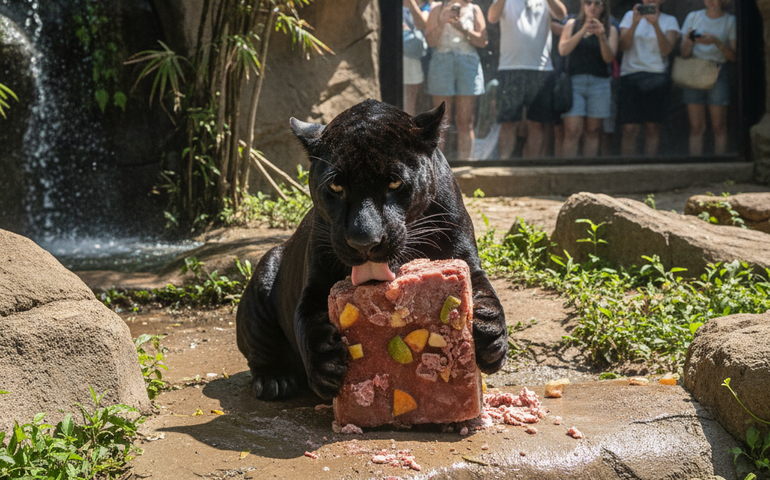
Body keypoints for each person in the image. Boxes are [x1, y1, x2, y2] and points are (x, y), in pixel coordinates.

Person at [487, 0, 567, 159]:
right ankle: (503, 168)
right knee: (508, 123)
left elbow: (561, 14)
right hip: (510, 69)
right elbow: (492, 17)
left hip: (541, 70)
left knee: (536, 124)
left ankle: (532, 168)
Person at [425, 1, 488, 159]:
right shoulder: (437, 9)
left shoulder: (474, 9)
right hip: (441, 62)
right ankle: (438, 170)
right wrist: (442, 22)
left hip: (468, 63)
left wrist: (463, 29)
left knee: (465, 121)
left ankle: (465, 164)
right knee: (440, 122)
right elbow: (430, 42)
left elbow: (483, 41)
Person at [617, 0, 679, 156]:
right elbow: (623, 46)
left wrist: (656, 25)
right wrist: (635, 24)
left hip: (656, 76)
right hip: (630, 75)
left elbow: (667, 50)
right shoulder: (629, 16)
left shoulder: (670, 20)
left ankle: (649, 168)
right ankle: (628, 170)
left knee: (653, 128)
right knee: (629, 128)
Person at [558, 0, 618, 157]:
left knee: (593, 131)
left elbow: (608, 58)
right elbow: (563, 50)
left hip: (599, 83)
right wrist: (583, 29)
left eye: (598, 3)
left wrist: (601, 36)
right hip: (574, 83)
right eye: (588, 2)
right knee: (572, 130)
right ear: (582, 5)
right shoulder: (572, 24)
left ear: (604, 6)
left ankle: (587, 172)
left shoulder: (610, 28)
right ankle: (568, 174)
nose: (592, 7)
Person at [680, 0, 736, 155]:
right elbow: (683, 54)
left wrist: (717, 42)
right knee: (696, 126)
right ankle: (695, 164)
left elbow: (734, 57)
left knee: (719, 126)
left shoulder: (730, 20)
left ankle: (720, 167)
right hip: (694, 71)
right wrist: (689, 42)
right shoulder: (693, 16)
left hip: (717, 71)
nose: (712, 1)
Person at [403, 0, 432, 116]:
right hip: (392, 58)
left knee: (409, 103)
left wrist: (411, 4)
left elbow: (422, 24)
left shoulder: (426, 7)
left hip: (413, 60)